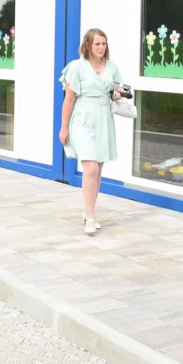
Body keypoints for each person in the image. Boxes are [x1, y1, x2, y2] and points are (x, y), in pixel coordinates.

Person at [59, 28, 123, 235]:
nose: (101, 47)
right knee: (91, 169)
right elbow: (69, 99)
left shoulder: (112, 66)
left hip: (104, 120)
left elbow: (117, 90)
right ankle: (91, 218)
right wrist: (64, 127)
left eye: (104, 43)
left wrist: (116, 95)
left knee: (98, 171)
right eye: (97, 44)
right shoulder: (76, 67)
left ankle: (89, 211)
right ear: (87, 45)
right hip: (82, 120)